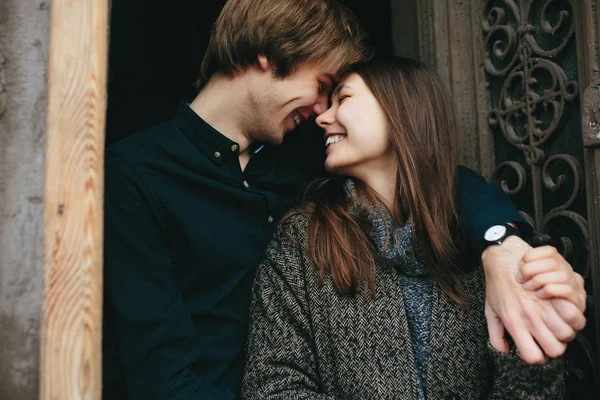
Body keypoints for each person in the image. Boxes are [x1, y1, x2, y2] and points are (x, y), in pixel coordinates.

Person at [102, 1, 586, 399]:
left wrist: (503, 245)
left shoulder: (296, 172)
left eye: (337, 97)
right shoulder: (136, 173)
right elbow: (159, 371)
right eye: (322, 87)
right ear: (271, 54)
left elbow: (428, 178)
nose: (321, 114)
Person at [241, 57, 585, 399]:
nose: (323, 117)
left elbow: (534, 389)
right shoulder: (302, 241)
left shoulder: (490, 245)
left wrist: (539, 327)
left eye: (343, 99)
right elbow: (273, 386)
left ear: (400, 110)